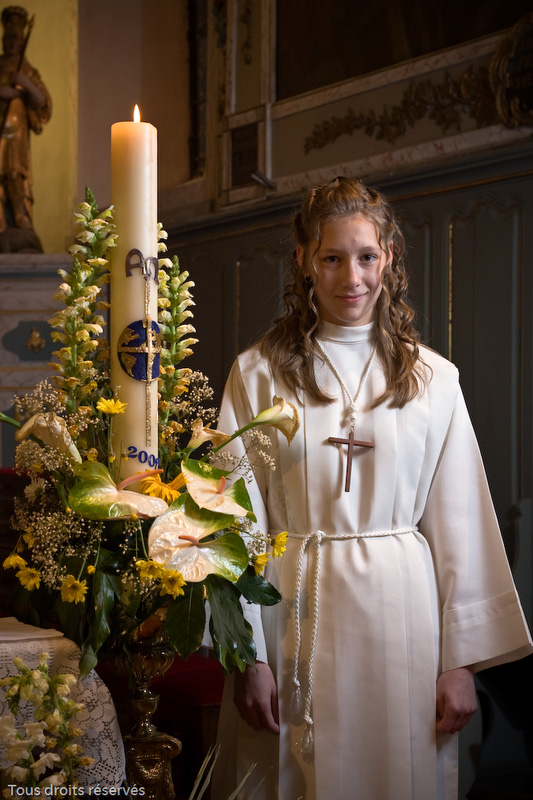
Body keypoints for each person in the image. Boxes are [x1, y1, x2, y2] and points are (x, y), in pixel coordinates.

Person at [212, 177, 532, 800]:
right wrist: (247, 656)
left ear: (388, 255)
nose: (351, 278)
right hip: (290, 615)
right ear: (304, 261)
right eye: (332, 258)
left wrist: (460, 664)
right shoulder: (257, 375)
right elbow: (231, 521)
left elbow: (460, 525)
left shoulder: (433, 380)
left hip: (401, 624)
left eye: (365, 257)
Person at [0, 6, 51, 250]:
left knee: (15, 175)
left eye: (16, 38)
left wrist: (24, 84)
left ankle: (20, 218)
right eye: (7, 38)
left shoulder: (26, 70)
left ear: (22, 41)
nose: (11, 43)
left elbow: (43, 102)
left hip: (16, 139)